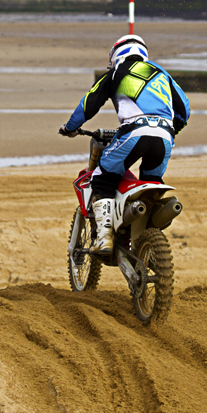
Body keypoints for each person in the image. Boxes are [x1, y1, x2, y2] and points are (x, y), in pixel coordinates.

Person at [58, 35, 191, 255]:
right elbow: (184, 108)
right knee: (151, 184)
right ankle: (147, 238)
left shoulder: (115, 73)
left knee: (102, 178)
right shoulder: (161, 73)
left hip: (133, 133)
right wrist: (170, 130)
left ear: (116, 54)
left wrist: (70, 127)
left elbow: (88, 104)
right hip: (165, 138)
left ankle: (104, 238)